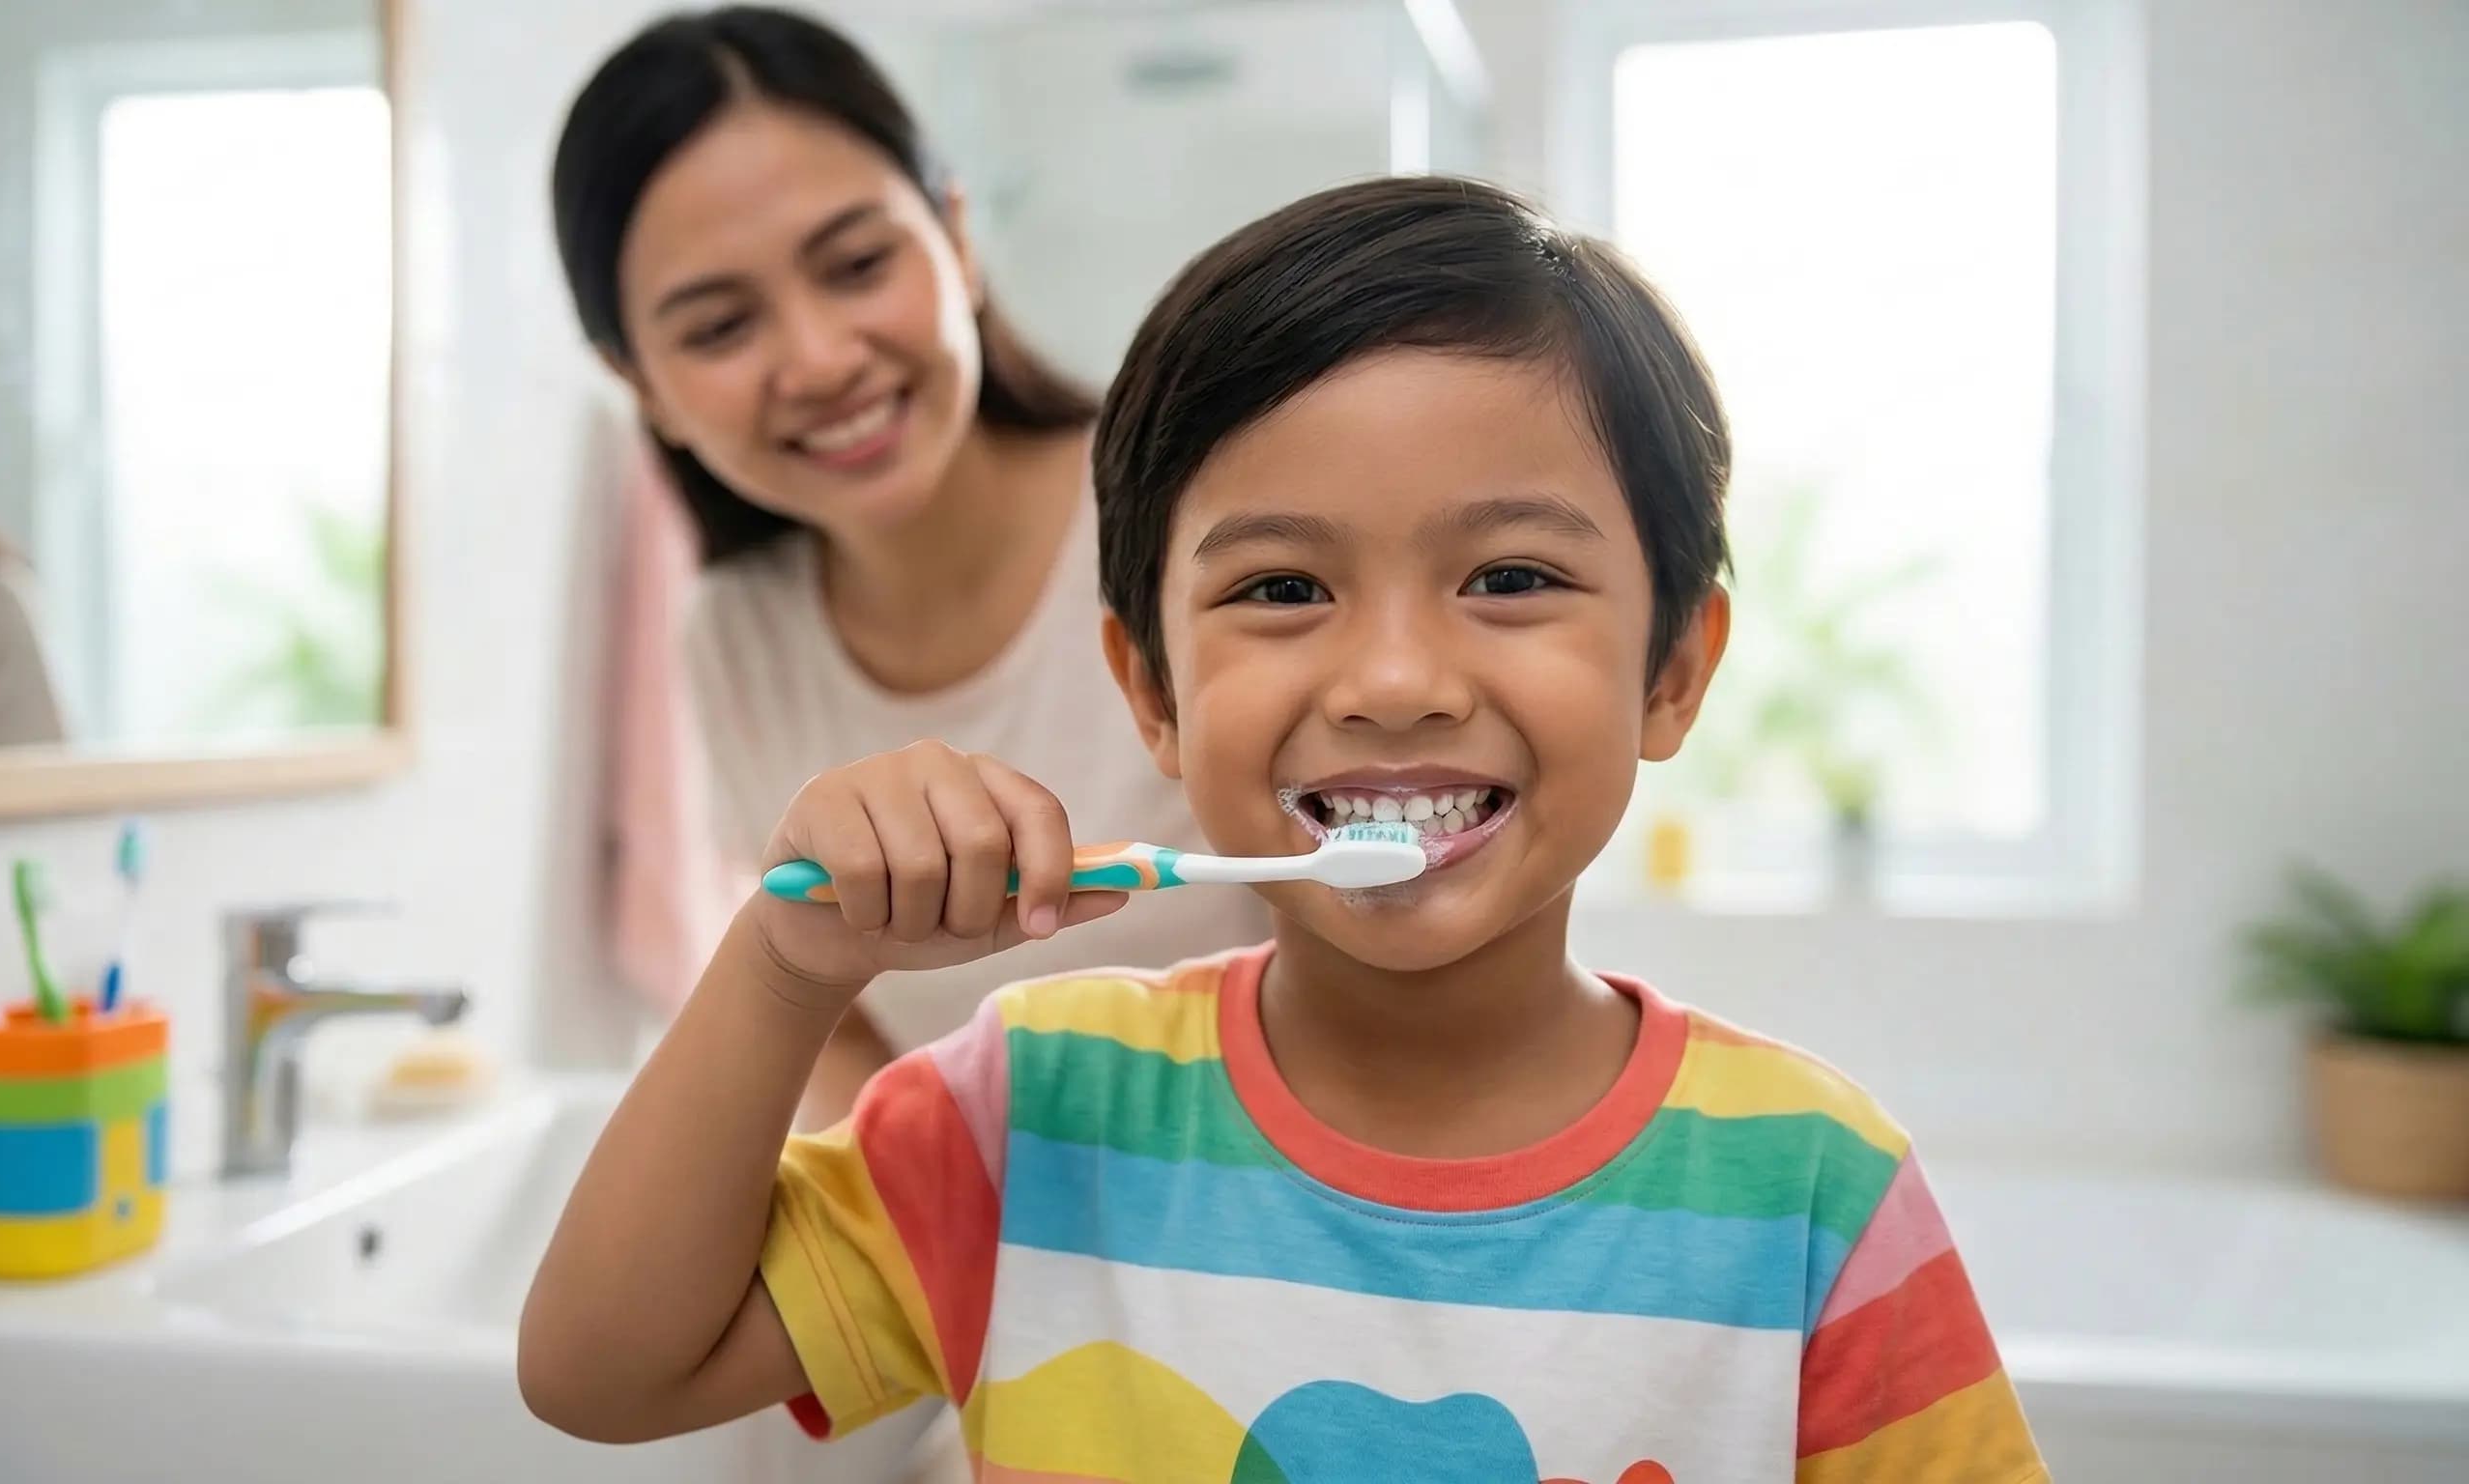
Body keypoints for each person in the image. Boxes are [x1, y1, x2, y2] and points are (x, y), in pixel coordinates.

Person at [520, 177, 2048, 1482]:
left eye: (1511, 578)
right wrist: (784, 969)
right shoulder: (1030, 1117)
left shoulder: (1814, 1193)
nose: (1393, 681)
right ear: (1153, 694)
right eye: (1282, 589)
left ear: (1674, 671)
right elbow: (606, 1374)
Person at [549, 7, 1266, 1123]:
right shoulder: (737, 634)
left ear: (957, 240)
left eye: (856, 265)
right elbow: (838, 1017)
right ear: (642, 386)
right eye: (720, 327)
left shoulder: (1198, 519)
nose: (819, 359)